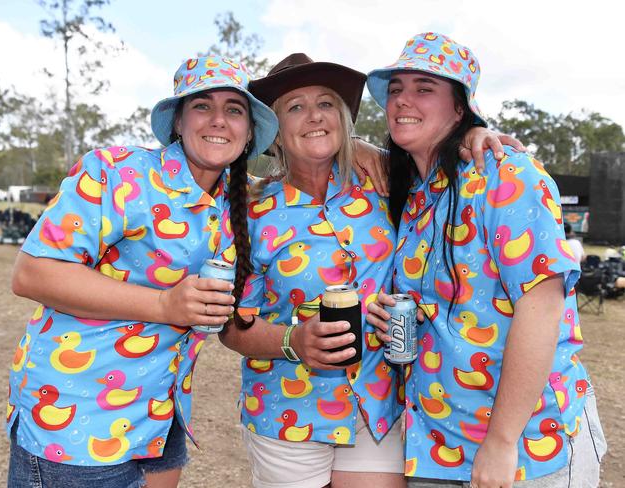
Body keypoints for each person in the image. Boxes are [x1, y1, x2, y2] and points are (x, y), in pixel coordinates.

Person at [219, 53, 519, 488]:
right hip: (287, 414)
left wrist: (470, 132)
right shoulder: (249, 214)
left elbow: (435, 152)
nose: (314, 116)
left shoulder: (389, 188)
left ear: (344, 119)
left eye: (325, 103)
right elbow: (231, 327)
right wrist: (293, 341)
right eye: (295, 107)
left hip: (376, 408)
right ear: (275, 132)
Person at [5, 56, 278, 488]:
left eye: (234, 109)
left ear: (248, 134)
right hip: (80, 416)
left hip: (159, 415)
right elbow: (32, 273)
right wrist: (164, 303)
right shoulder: (117, 172)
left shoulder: (236, 205)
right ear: (178, 123)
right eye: (202, 106)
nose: (219, 120)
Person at [366, 33, 607, 488]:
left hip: (528, 446)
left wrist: (501, 440)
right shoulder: (416, 196)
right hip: (435, 445)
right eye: (396, 88)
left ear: (461, 109)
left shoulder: (507, 175)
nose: (402, 100)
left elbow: (542, 307)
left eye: (423, 88)